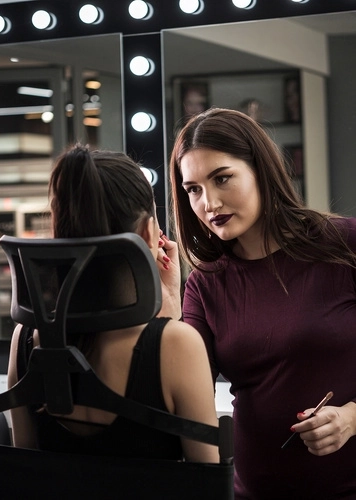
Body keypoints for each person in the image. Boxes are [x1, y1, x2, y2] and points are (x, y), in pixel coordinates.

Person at [169, 106, 356, 498]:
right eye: (193, 189)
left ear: (261, 171)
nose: (209, 202)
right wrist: (168, 304)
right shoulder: (205, 284)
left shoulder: (345, 244)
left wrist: (352, 418)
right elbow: (184, 392)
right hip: (253, 492)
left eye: (222, 178)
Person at [7, 144, 219, 463]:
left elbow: (22, 465)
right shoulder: (178, 346)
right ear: (148, 233)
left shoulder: (25, 339)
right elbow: (209, 478)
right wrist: (169, 323)